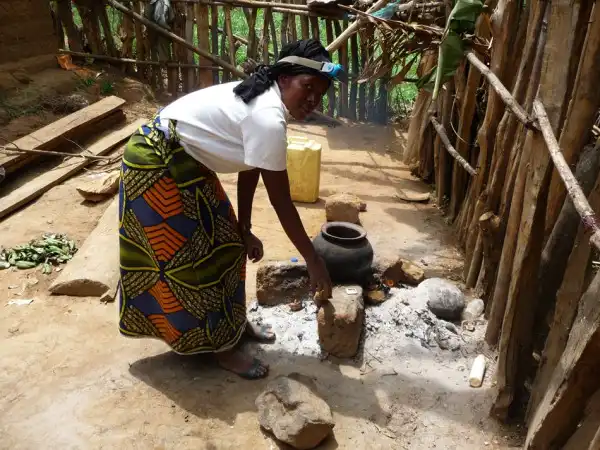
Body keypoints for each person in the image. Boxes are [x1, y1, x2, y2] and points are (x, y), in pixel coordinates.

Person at [118, 39, 345, 379]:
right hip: (156, 161)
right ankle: (222, 349)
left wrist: (245, 228)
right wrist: (313, 260)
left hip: (185, 159)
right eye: (308, 87)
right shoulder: (267, 116)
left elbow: (250, 165)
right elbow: (282, 203)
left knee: (228, 243)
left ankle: (232, 326)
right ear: (285, 79)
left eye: (321, 93)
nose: (313, 99)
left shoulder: (267, 99)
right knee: (194, 259)